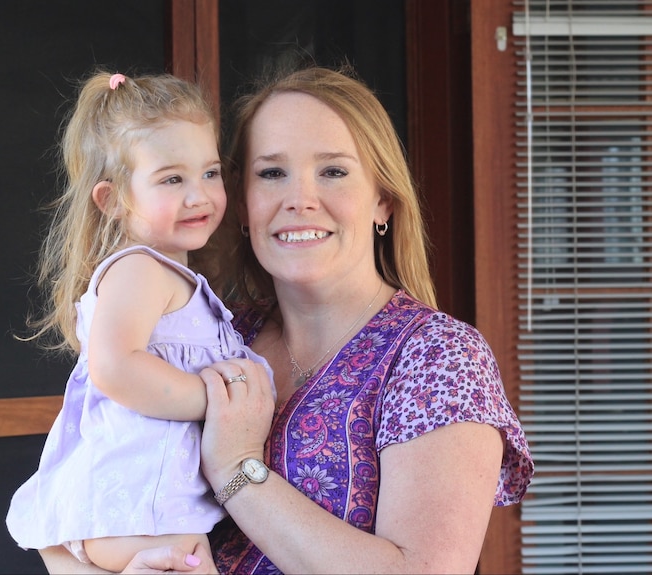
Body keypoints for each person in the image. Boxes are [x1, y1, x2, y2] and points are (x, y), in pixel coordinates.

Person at [39, 65, 534, 574]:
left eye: (333, 171)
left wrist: (237, 470)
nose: (299, 199)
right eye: (272, 173)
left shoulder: (437, 357)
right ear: (244, 206)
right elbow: (77, 490)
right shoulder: (215, 336)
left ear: (382, 199)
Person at [6, 70, 272, 574]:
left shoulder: (159, 275)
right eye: (172, 179)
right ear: (112, 200)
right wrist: (217, 402)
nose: (199, 194)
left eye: (210, 173)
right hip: (146, 511)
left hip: (128, 513)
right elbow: (114, 366)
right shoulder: (139, 270)